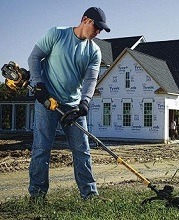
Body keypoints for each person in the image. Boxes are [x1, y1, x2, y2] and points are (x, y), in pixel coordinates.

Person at [28, 7, 110, 201]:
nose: (98, 32)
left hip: (72, 106)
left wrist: (84, 104)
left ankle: (89, 195)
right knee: (41, 148)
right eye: (96, 27)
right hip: (47, 101)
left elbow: (91, 80)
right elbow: (34, 57)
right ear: (85, 20)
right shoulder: (57, 34)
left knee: (83, 150)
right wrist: (39, 84)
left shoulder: (94, 51)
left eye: (101, 29)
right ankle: (37, 197)